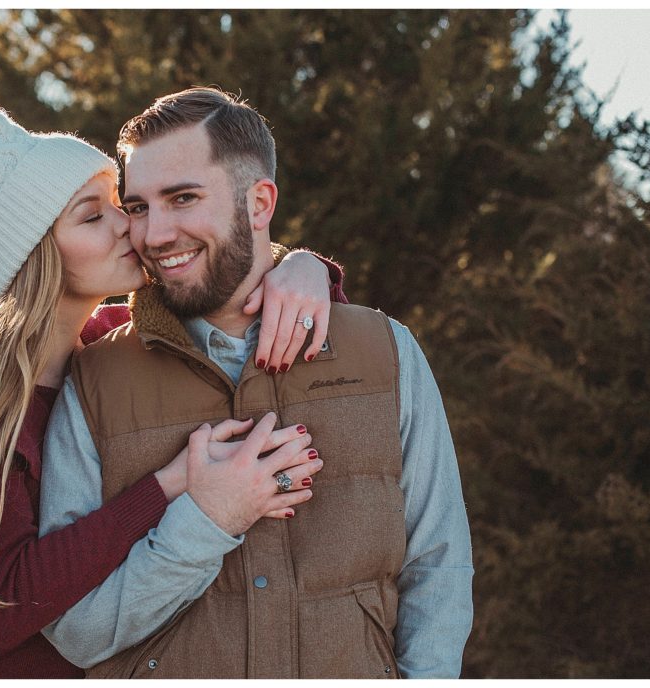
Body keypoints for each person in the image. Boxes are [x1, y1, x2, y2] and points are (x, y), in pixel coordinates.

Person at [0, 105, 347, 678]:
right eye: (93, 217)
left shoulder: (104, 343)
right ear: (37, 251)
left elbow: (229, 293)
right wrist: (174, 484)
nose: (129, 226)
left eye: (121, 206)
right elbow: (9, 599)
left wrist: (304, 269)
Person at [39, 87, 474, 679]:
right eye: (138, 207)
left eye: (183, 198)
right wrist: (203, 523)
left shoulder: (387, 353)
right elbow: (74, 633)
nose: (155, 234)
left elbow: (439, 566)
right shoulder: (92, 380)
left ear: (259, 202)